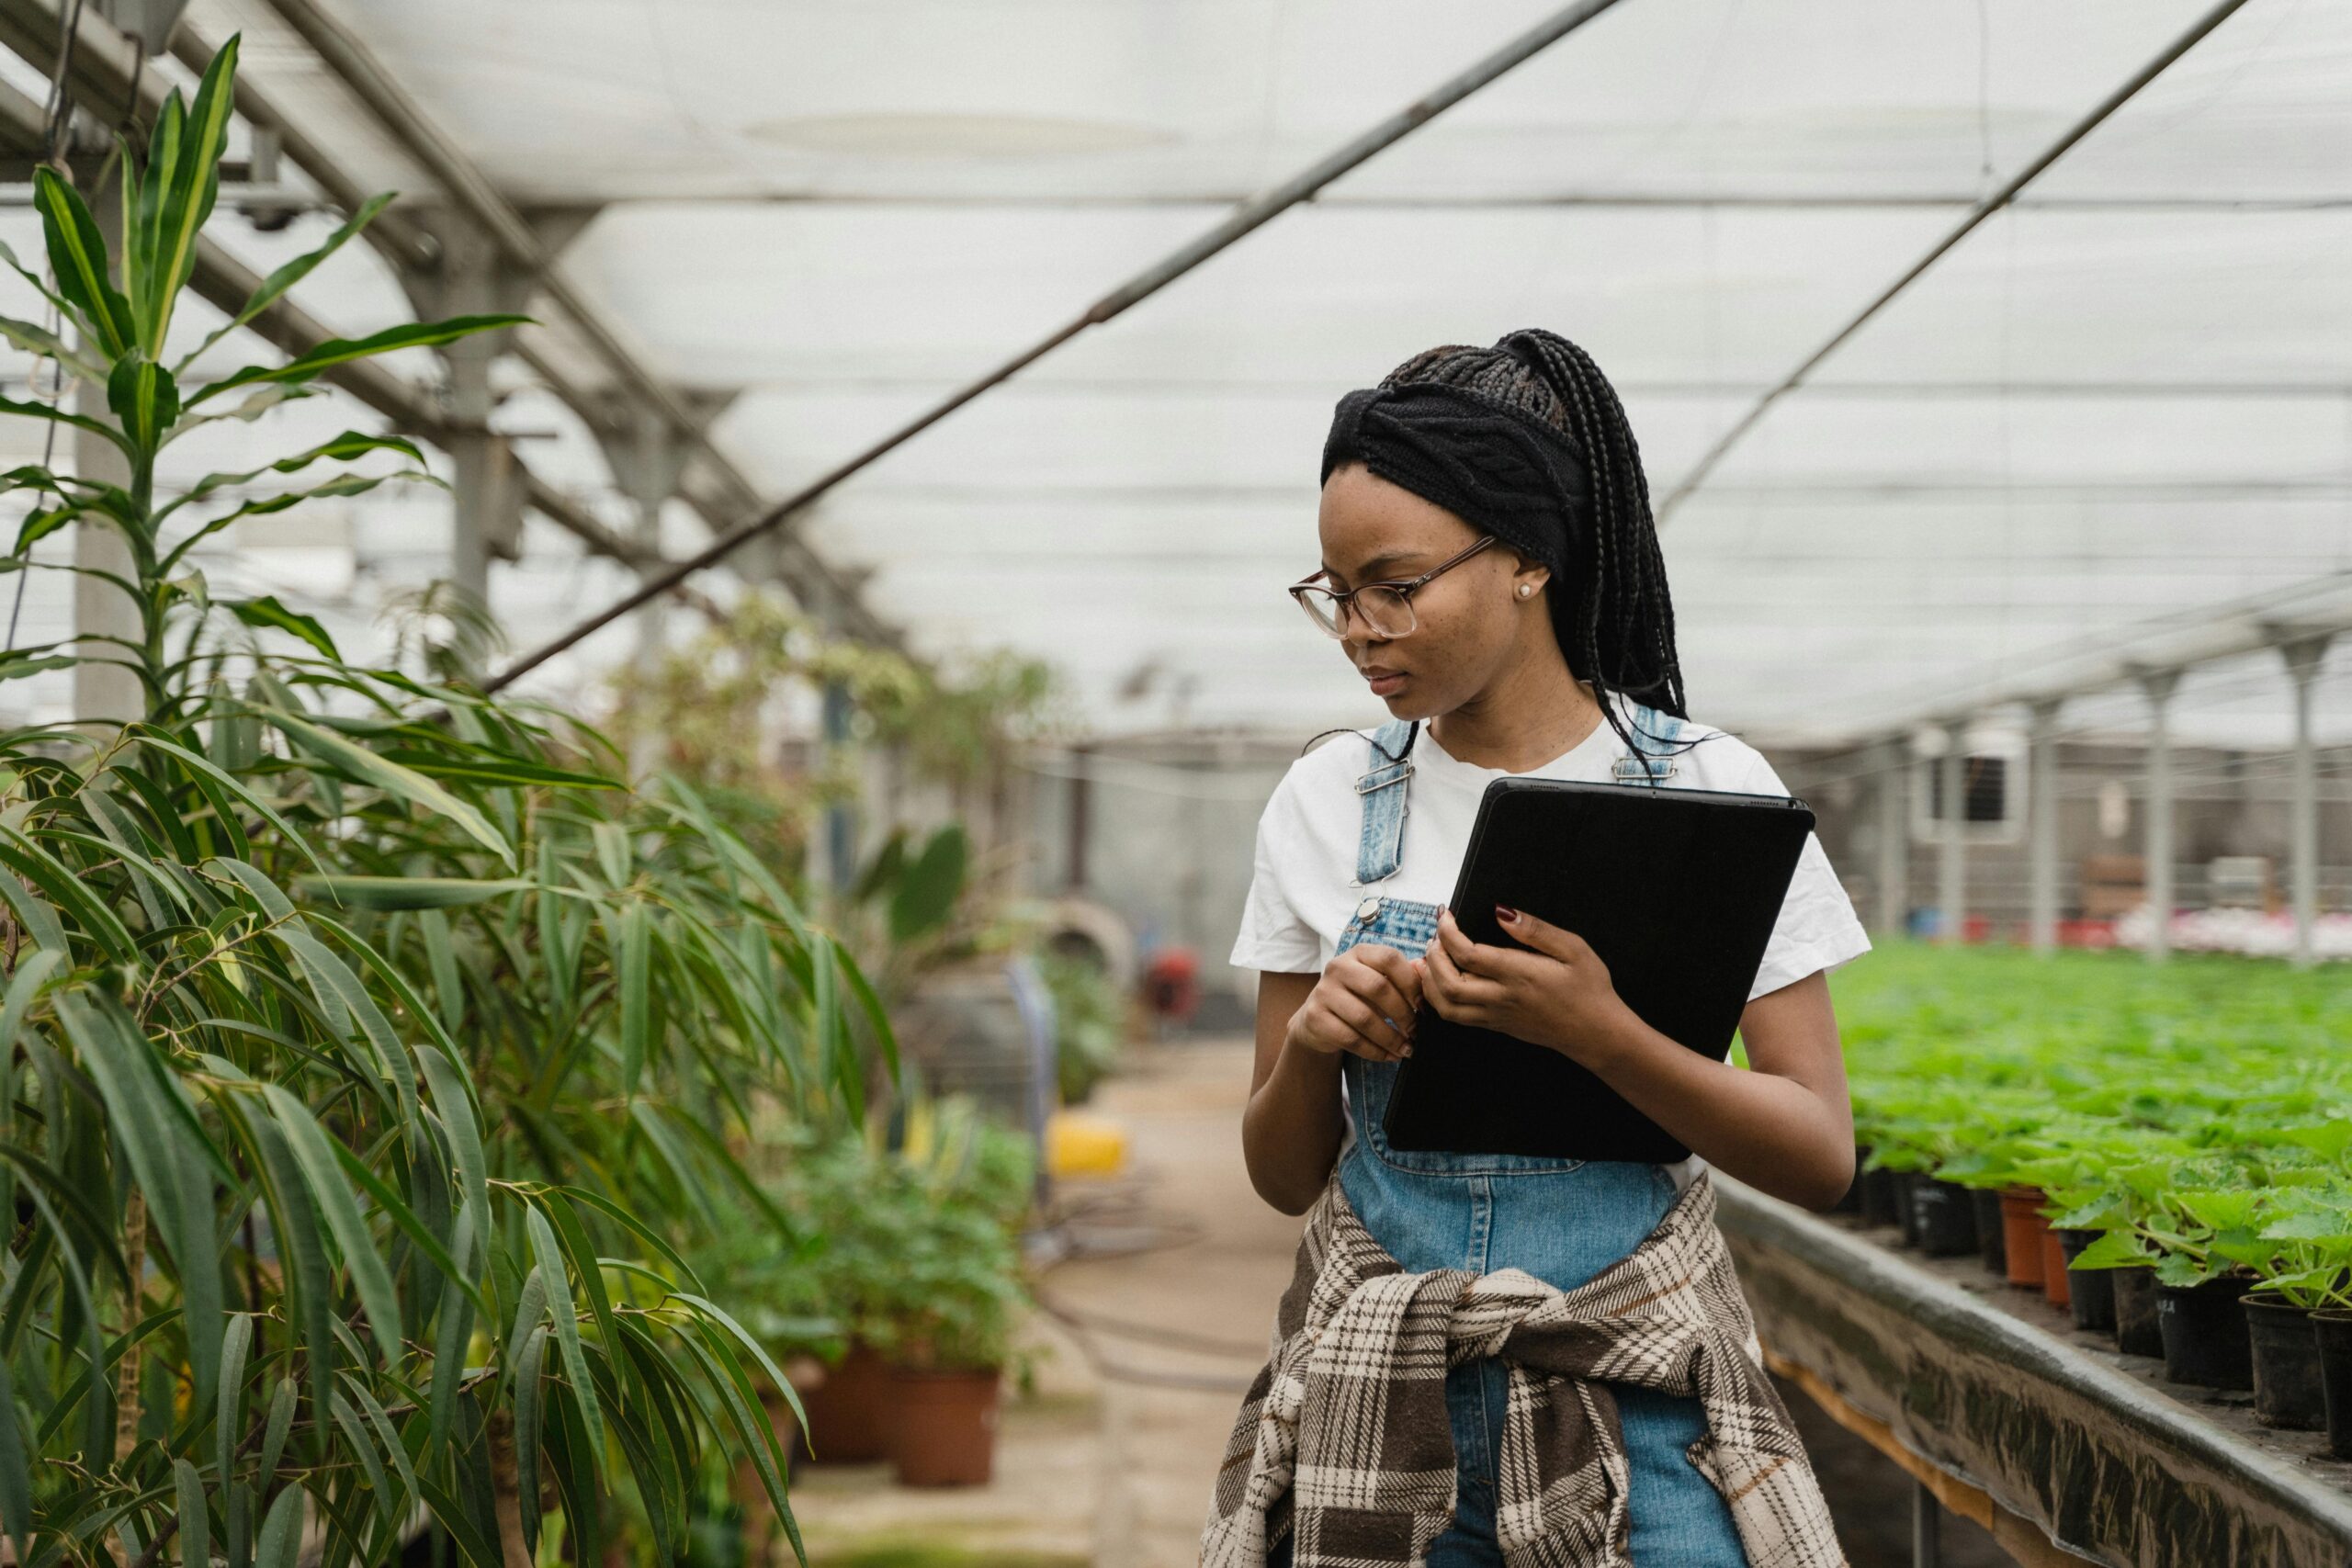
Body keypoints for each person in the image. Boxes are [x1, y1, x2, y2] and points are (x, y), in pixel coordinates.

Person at [1216, 329, 1871, 1567]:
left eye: (1394, 587)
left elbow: (1819, 1151)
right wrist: (1312, 1046)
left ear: (1526, 558)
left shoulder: (1709, 791)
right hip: (1380, 1416)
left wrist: (1602, 1035)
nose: (1358, 628)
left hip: (1633, 1409)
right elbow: (1279, 1172)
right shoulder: (1325, 800)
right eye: (1335, 592)